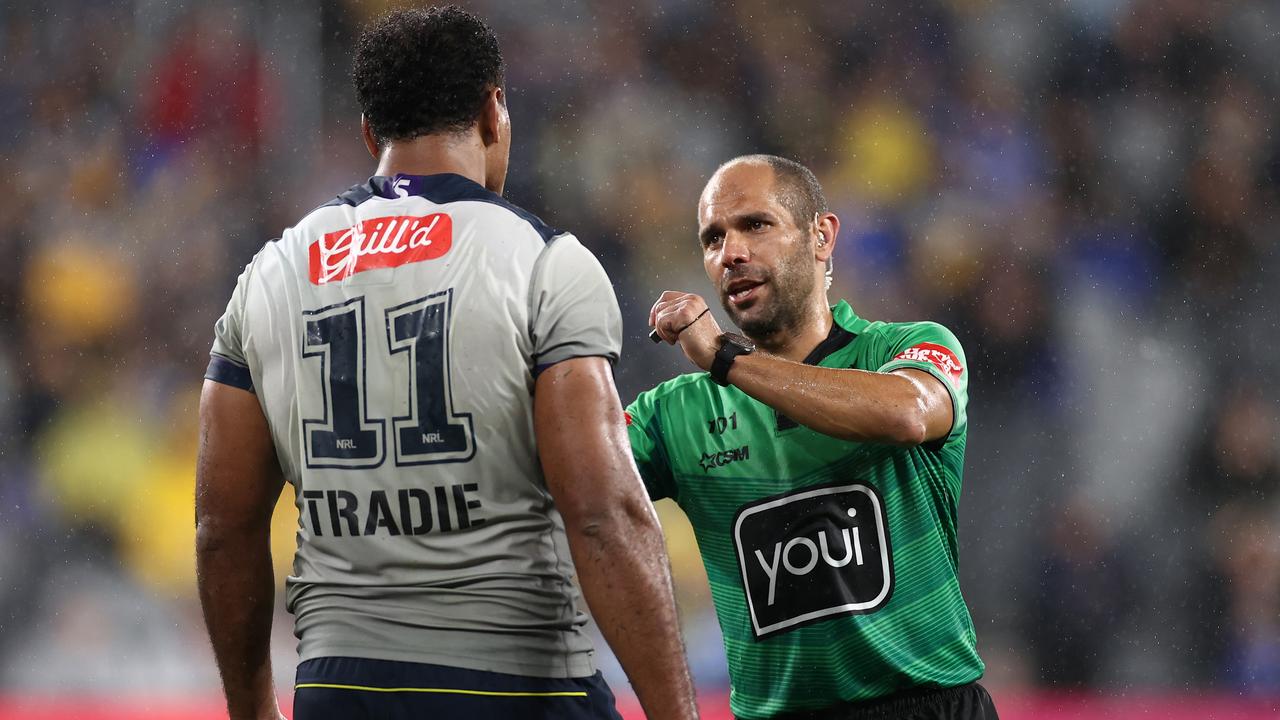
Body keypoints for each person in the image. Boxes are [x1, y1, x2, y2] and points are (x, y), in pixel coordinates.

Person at [194, 7, 698, 720]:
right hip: (515, 685)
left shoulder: (271, 272)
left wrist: (253, 712)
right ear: (495, 111)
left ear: (372, 133)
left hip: (341, 688)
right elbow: (602, 516)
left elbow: (224, 528)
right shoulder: (545, 263)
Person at [631, 154, 997, 720]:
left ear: (821, 236)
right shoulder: (673, 415)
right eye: (713, 238)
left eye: (755, 225)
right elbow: (567, 469)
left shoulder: (907, 347)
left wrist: (727, 358)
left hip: (925, 706)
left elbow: (908, 413)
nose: (731, 253)